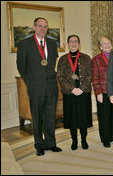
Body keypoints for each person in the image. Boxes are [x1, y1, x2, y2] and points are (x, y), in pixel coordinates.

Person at [17, 17, 62, 156]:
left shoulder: (52, 43)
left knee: (50, 117)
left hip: (51, 86)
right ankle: (39, 145)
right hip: (35, 87)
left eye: (45, 26)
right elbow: (21, 66)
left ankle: (51, 143)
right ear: (34, 27)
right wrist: (30, 81)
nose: (43, 29)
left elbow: (52, 62)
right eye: (40, 26)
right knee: (37, 118)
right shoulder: (25, 44)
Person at [57, 35, 93, 150]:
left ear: (79, 43)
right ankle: (74, 140)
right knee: (72, 118)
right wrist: (72, 89)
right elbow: (60, 76)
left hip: (84, 93)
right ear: (68, 44)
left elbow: (90, 75)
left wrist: (81, 88)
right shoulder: (62, 59)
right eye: (71, 41)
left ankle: (83, 139)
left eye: (76, 41)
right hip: (70, 93)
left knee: (83, 118)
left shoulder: (86, 58)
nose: (73, 43)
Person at [91, 36, 113, 148]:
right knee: (104, 116)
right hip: (103, 92)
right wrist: (98, 93)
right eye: (104, 44)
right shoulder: (96, 59)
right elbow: (95, 77)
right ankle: (105, 138)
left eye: (108, 43)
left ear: (112, 45)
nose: (107, 45)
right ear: (100, 47)